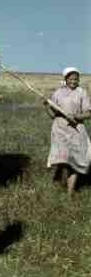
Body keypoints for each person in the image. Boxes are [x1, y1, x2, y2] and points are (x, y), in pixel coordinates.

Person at [44, 67, 91, 196]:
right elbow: (52, 114)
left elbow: (88, 113)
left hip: (76, 130)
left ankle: (69, 193)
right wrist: (46, 106)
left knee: (75, 162)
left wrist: (76, 116)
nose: (73, 81)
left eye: (76, 79)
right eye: (71, 79)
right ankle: (64, 184)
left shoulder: (82, 92)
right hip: (60, 131)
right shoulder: (58, 93)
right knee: (65, 161)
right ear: (65, 79)